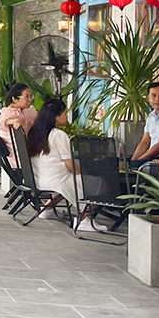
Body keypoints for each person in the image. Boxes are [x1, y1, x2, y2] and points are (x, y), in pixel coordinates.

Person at [24, 96, 99, 228]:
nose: (67, 116)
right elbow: (70, 166)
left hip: (37, 179)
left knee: (66, 183)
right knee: (101, 185)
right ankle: (84, 219)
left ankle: (47, 209)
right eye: (65, 113)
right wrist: (82, 175)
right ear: (56, 117)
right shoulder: (58, 135)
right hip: (57, 180)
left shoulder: (34, 132)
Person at [0, 83, 37, 157]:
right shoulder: (8, 113)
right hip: (19, 156)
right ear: (14, 99)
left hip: (27, 151)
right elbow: (3, 122)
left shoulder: (27, 110)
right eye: (27, 97)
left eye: (31, 96)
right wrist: (15, 121)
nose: (30, 100)